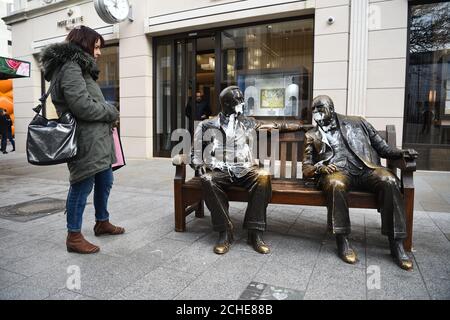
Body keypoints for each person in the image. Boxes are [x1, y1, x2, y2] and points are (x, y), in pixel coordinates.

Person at [302, 95, 418, 270]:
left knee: (389, 180)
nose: (316, 113)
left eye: (320, 109)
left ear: (331, 109)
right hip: (337, 172)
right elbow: (306, 168)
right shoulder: (312, 134)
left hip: (366, 170)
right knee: (336, 184)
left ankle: (397, 244)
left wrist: (402, 153)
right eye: (314, 110)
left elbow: (383, 149)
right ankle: (342, 240)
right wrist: (319, 168)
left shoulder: (358, 123)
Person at [40, 26, 124, 254]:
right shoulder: (70, 67)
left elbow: (89, 102)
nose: (98, 53)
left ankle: (102, 221)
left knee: (105, 180)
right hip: (84, 140)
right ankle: (74, 235)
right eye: (96, 47)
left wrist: (106, 113)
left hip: (97, 139)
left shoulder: (80, 68)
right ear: (83, 44)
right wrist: (111, 111)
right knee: (82, 185)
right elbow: (81, 106)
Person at [191, 86, 305, 255]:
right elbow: (195, 152)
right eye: (239, 100)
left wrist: (299, 125)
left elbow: (274, 125)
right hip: (221, 170)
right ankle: (225, 232)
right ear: (227, 103)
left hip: (245, 169)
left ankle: (255, 232)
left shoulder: (247, 121)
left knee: (263, 177)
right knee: (207, 180)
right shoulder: (207, 125)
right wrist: (198, 164)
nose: (242, 103)